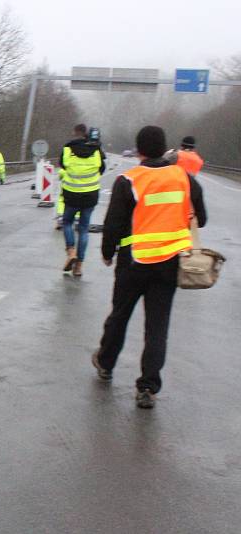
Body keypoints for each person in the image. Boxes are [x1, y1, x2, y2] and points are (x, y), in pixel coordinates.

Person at [92, 125, 206, 409]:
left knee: (120, 315)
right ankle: (147, 387)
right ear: (166, 147)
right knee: (157, 326)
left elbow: (114, 224)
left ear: (139, 150)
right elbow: (200, 218)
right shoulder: (183, 178)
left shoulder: (128, 180)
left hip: (133, 261)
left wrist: (108, 253)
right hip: (169, 263)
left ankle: (105, 364)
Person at [58, 124, 106, 277]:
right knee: (84, 229)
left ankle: (71, 251)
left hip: (71, 194)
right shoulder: (96, 150)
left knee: (67, 222)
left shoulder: (68, 149)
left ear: (74, 133)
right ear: (86, 134)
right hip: (90, 196)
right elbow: (102, 168)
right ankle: (78, 267)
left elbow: (62, 165)